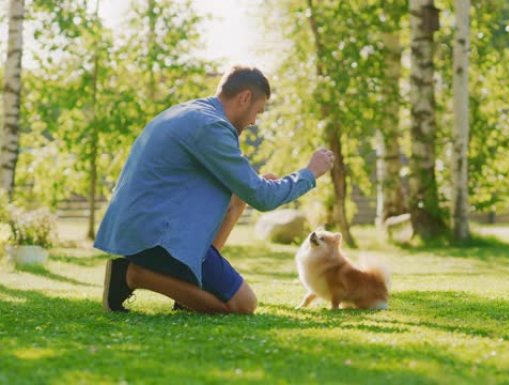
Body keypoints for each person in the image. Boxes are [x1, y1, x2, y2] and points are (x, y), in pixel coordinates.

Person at [94, 65, 334, 314]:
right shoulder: (211, 127)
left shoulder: (190, 113)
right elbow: (262, 197)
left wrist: (259, 184)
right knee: (243, 305)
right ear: (245, 98)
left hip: (137, 230)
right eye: (258, 112)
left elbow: (247, 189)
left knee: (238, 197)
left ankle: (187, 286)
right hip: (155, 238)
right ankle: (132, 275)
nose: (254, 121)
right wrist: (310, 173)